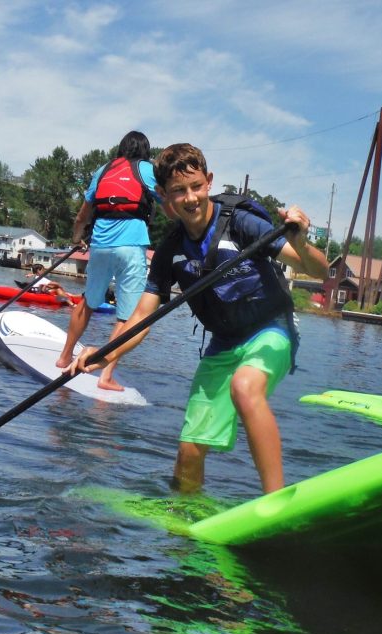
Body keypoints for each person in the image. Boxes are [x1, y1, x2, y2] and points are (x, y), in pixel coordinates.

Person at [70, 143, 329, 494]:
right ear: (163, 196)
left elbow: (317, 269)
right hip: (223, 344)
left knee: (245, 386)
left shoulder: (241, 223)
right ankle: (187, 522)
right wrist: (103, 353)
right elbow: (142, 317)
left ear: (208, 182)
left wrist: (300, 241)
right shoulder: (170, 250)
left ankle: (276, 501)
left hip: (271, 330)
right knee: (189, 451)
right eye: (178, 191)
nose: (190, 198)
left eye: (196, 187)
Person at [54, 131, 160, 391]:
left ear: (121, 148)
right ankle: (106, 375)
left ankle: (65, 356)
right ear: (145, 151)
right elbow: (168, 202)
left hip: (99, 246)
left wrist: (77, 239)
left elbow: (82, 215)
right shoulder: (148, 170)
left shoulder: (102, 170)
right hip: (132, 246)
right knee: (127, 316)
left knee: (88, 302)